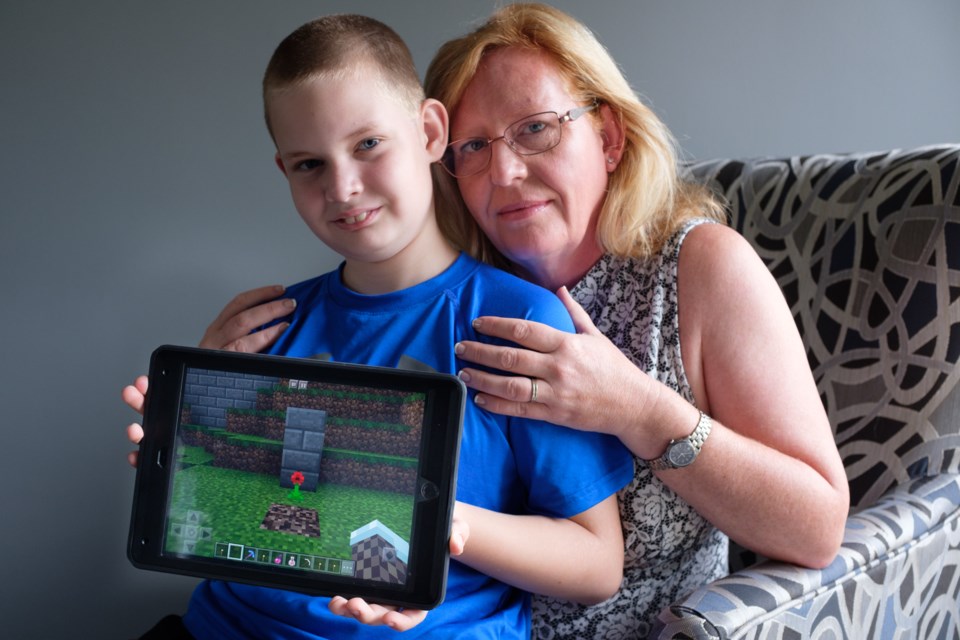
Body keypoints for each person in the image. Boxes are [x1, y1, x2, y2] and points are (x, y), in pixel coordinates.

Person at [201, 4, 851, 638]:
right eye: (474, 146)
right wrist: (205, 409)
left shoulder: (698, 267)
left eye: (536, 128)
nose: (505, 172)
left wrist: (639, 410)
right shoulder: (460, 291)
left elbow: (817, 529)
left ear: (609, 137)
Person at [123, 14, 635, 640]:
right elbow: (233, 520)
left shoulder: (517, 322)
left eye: (368, 145)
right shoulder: (264, 326)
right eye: (310, 164)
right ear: (285, 171)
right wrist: (188, 462)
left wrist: (436, 522)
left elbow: (597, 564)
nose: (342, 187)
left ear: (428, 132)